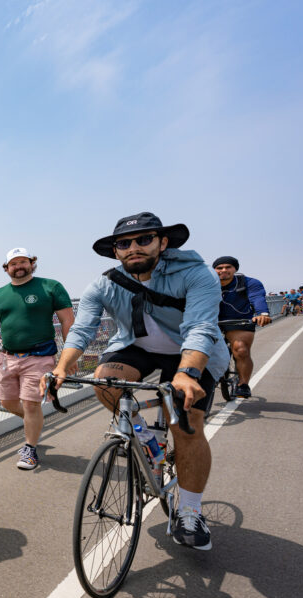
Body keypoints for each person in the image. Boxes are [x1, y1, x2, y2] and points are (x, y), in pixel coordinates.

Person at [43, 212, 228, 551]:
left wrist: (187, 374)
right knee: (106, 381)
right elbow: (82, 330)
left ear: (163, 242)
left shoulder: (197, 274)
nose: (133, 248)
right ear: (116, 251)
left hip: (191, 353)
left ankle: (189, 511)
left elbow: (200, 327)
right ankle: (149, 445)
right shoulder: (103, 283)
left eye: (144, 239)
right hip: (137, 346)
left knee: (187, 425)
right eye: (124, 243)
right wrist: (61, 369)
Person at [0, 248, 74, 470]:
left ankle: (30, 449)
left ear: (32, 263)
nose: (18, 266)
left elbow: (67, 321)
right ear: (6, 269)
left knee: (31, 405)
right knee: (7, 402)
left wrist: (69, 357)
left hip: (39, 356)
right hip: (8, 358)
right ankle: (33, 424)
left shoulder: (50, 287)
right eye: (13, 264)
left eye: (23, 261)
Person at [212, 256, 271, 398]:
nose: (223, 270)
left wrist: (262, 313)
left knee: (240, 349)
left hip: (240, 321)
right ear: (214, 270)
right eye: (219, 268)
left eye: (228, 267)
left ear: (235, 269)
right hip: (212, 320)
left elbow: (257, 297)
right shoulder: (206, 282)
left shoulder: (249, 282)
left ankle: (243, 384)